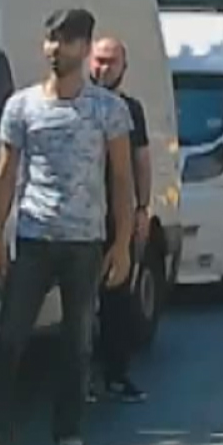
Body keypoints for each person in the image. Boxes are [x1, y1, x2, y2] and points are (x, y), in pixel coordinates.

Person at [0, 8, 134, 445]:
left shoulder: (109, 110)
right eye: (51, 40)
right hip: (32, 237)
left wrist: (124, 243)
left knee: (76, 344)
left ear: (85, 48)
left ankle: (69, 439)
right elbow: (6, 175)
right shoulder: (22, 106)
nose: (56, 49)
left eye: (67, 42)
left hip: (84, 242)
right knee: (9, 339)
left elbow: (121, 179)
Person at [88, 35, 151, 404]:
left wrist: (143, 208)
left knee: (117, 299)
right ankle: (82, 379)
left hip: (117, 217)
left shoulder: (131, 110)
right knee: (78, 302)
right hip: (78, 215)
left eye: (110, 61)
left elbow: (141, 160)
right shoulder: (75, 103)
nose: (102, 68)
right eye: (98, 60)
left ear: (124, 68)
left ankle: (115, 374)